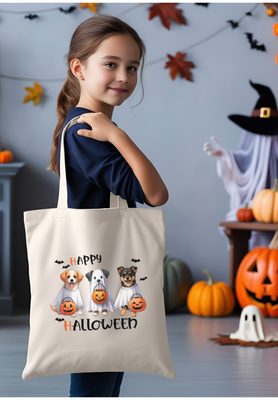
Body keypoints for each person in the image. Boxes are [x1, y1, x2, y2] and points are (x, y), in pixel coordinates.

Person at [47, 14, 168, 397]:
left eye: (132, 67)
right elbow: (155, 194)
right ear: (78, 68)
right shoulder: (89, 131)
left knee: (102, 370)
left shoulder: (81, 124)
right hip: (97, 273)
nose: (124, 76)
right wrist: (117, 134)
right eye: (110, 64)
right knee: (96, 373)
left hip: (97, 269)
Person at [203, 80, 278, 249]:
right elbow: (242, 161)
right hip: (255, 211)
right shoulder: (250, 150)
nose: (266, 140)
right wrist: (224, 156)